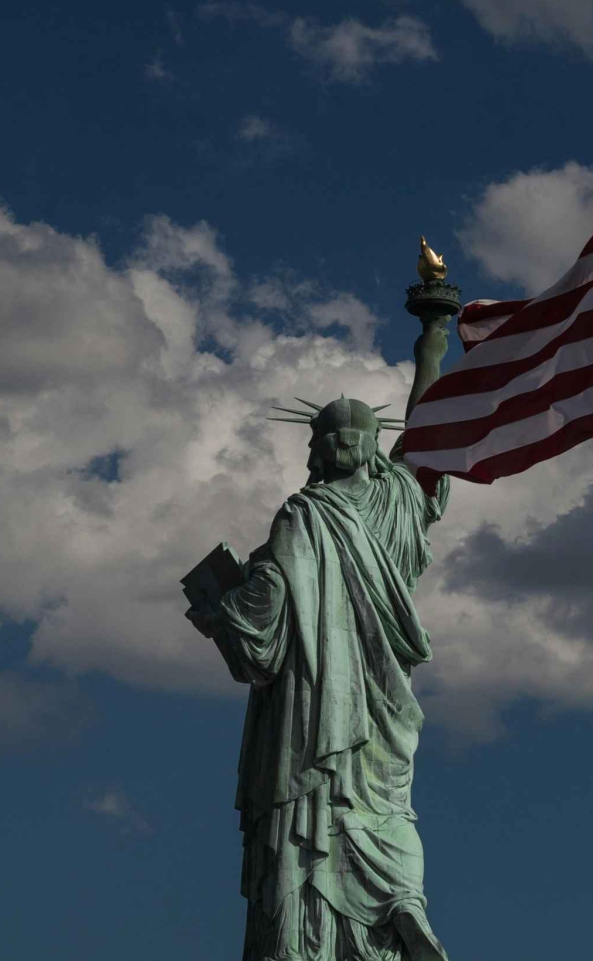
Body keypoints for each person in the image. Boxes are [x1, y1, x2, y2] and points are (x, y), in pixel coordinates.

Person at [187, 394, 452, 961]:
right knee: (383, 807)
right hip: (383, 700)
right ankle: (399, 896)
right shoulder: (399, 503)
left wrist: (219, 611)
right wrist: (430, 349)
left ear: (319, 449)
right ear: (374, 446)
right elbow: (428, 434)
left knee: (309, 812)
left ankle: (303, 942)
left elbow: (261, 627)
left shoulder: (303, 515)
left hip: (310, 707)